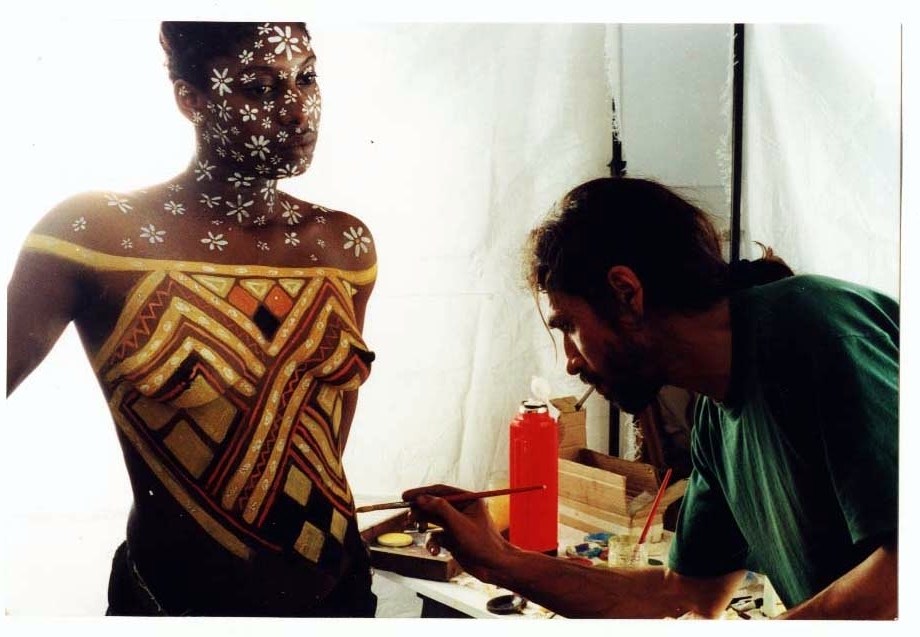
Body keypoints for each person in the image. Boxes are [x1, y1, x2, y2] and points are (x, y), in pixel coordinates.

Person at [6, 22, 378, 617]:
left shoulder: (342, 246)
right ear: (190, 98)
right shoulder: (94, 237)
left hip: (342, 599)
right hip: (174, 605)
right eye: (261, 88)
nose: (297, 110)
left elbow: (327, 439)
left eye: (306, 78)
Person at [405, 177, 898, 619]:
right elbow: (683, 595)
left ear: (626, 293)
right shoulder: (715, 416)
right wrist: (501, 560)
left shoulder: (819, 330)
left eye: (570, 326)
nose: (570, 362)